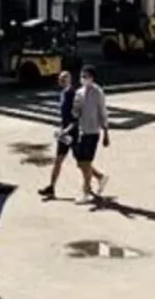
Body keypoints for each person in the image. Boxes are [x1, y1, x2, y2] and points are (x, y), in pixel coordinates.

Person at [72, 65, 111, 202]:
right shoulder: (79, 92)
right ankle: (100, 177)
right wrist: (76, 110)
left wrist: (106, 132)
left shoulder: (97, 92)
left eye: (86, 76)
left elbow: (103, 112)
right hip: (82, 130)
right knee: (81, 163)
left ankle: (86, 192)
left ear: (92, 77)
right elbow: (76, 112)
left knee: (86, 162)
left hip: (93, 131)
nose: (84, 78)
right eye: (82, 76)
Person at [36, 71, 76, 199]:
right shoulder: (63, 94)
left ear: (70, 80)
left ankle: (98, 177)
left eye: (64, 79)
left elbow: (75, 118)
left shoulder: (72, 95)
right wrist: (61, 129)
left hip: (72, 133)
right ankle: (51, 187)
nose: (62, 81)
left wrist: (66, 130)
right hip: (64, 133)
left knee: (82, 162)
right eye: (60, 79)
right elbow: (64, 116)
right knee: (58, 160)